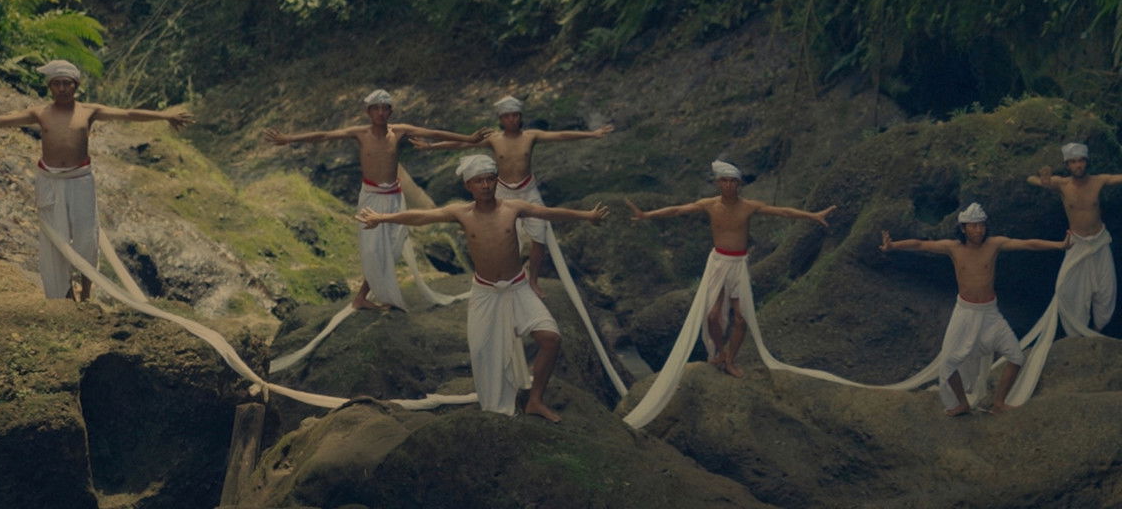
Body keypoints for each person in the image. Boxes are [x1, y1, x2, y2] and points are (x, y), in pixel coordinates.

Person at [356, 154, 608, 422]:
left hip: (518, 287)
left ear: (496, 181)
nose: (486, 185)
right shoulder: (461, 213)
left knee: (551, 339)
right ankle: (500, 398)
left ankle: (535, 400)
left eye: (490, 179)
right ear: (469, 186)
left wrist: (586, 215)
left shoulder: (513, 208)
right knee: (481, 352)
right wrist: (382, 218)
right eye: (479, 181)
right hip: (486, 292)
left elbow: (548, 213)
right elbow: (422, 216)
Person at [0, 60, 193, 300]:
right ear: (50, 87)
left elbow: (127, 114)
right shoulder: (40, 113)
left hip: (80, 180)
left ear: (76, 85)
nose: (62, 88)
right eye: (57, 83)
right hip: (49, 181)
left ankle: (87, 290)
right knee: (55, 239)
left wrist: (164, 116)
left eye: (67, 83)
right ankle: (64, 294)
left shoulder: (89, 111)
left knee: (86, 237)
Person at [263, 89, 492, 310]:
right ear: (369, 112)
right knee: (372, 250)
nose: (381, 113)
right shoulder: (360, 133)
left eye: (385, 108)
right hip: (371, 198)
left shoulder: (399, 131)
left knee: (390, 250)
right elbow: (324, 135)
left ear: (390, 111)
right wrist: (289, 138)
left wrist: (468, 139)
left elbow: (432, 133)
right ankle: (362, 297)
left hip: (394, 197)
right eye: (376, 109)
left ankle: (362, 296)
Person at [625, 160, 836, 378]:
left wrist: (812, 215)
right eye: (724, 181)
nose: (728, 186)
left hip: (738, 264)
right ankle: (720, 352)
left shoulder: (748, 206)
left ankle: (730, 360)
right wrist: (647, 215)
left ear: (739, 184)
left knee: (740, 318)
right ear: (718, 183)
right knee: (712, 316)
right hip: (718, 262)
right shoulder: (709, 204)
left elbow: (783, 212)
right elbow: (678, 210)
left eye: (732, 182)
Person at [411, 94, 613, 296]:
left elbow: (559, 136)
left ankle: (533, 281)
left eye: (515, 115)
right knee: (505, 236)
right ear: (501, 119)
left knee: (539, 237)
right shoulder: (494, 139)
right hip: (503, 192)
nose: (512, 120)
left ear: (520, 116)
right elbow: (464, 144)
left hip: (528, 190)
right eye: (507, 116)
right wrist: (431, 146)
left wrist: (592, 134)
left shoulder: (530, 136)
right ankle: (508, 277)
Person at [880, 203, 1070, 415]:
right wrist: (893, 245)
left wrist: (1059, 245)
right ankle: (962, 403)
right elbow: (920, 245)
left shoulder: (994, 244)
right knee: (949, 363)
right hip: (965, 312)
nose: (978, 230)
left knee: (1016, 356)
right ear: (963, 228)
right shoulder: (953, 247)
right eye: (973, 226)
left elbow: (1028, 244)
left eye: (981, 226)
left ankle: (999, 402)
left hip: (990, 313)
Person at [1027, 142, 1120, 333]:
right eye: (1073, 162)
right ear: (1067, 165)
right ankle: (1077, 333)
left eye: (1081, 161)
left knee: (1106, 289)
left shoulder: (1098, 180)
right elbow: (1030, 179)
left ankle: (1096, 330)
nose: (1078, 165)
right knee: (1066, 289)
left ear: (1086, 162)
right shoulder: (1062, 184)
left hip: (1100, 241)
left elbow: (1117, 178)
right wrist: (1043, 180)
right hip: (1076, 243)